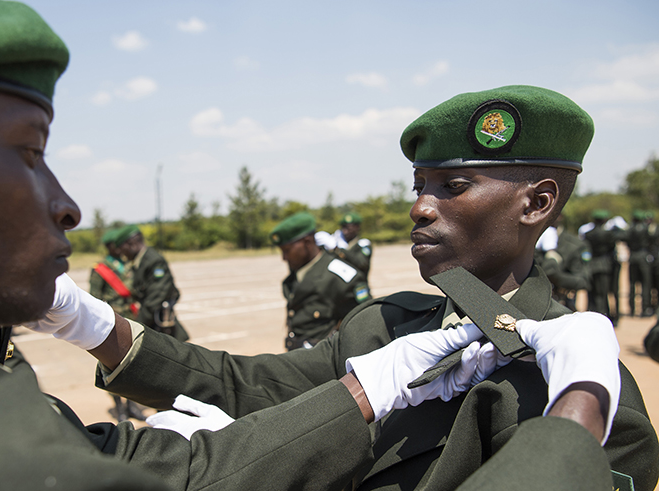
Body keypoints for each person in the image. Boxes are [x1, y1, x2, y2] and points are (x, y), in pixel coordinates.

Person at [69, 86, 658, 490]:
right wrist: (94, 327)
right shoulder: (385, 328)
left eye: (454, 184)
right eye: (418, 185)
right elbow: (244, 386)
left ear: (537, 203)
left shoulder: (588, 395)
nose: (422, 206)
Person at [271, 212, 371, 350]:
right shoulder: (297, 273)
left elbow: (364, 322)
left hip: (323, 361)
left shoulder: (340, 276)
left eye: (287, 250)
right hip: (296, 355)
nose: (284, 257)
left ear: (307, 242)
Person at [88, 227, 143, 422]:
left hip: (131, 320)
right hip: (111, 324)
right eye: (116, 245)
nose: (120, 248)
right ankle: (119, 407)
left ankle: (132, 405)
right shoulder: (101, 269)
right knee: (112, 365)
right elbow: (94, 298)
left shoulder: (128, 265)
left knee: (134, 364)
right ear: (109, 247)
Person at [116, 225, 189, 341]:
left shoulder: (154, 261)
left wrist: (136, 328)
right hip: (152, 323)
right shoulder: (139, 262)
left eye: (123, 249)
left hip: (160, 327)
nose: (123, 254)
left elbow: (156, 297)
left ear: (131, 244)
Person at [535, 216, 590, 311]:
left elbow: (583, 280)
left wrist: (555, 276)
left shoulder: (574, 245)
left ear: (559, 216)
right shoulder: (525, 240)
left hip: (561, 305)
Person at [584, 210, 626, 323]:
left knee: (593, 293)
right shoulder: (608, 234)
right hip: (605, 265)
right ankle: (603, 316)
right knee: (602, 294)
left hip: (592, 265)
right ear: (605, 220)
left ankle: (593, 315)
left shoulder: (588, 234)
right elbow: (612, 248)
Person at [316, 212, 374, 279]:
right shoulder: (337, 242)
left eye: (348, 228)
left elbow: (361, 263)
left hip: (357, 285)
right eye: (343, 227)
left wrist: (337, 249)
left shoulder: (363, 244)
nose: (345, 231)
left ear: (357, 227)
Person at [626, 210, 655, 317]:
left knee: (633, 283)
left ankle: (632, 309)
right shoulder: (647, 229)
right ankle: (645, 308)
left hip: (633, 256)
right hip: (643, 256)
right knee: (646, 283)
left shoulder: (630, 229)